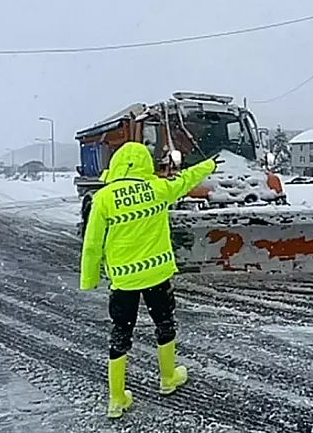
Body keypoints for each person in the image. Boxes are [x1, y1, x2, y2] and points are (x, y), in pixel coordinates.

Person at [79, 141, 218, 419]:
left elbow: (92, 244)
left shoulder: (103, 198)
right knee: (164, 324)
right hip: (157, 275)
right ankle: (168, 379)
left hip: (124, 281)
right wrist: (209, 164)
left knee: (121, 333)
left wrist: (90, 278)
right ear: (145, 164)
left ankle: (117, 399)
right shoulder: (158, 190)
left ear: (117, 164)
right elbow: (186, 178)